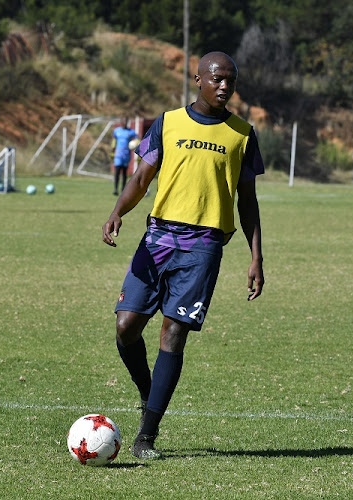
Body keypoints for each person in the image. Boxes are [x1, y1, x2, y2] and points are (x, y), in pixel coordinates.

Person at [101, 51, 265, 460]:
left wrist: (256, 257)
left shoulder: (243, 133)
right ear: (198, 79)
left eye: (230, 79)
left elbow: (248, 201)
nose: (224, 86)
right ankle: (147, 391)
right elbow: (142, 177)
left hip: (204, 246)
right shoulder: (168, 122)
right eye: (217, 79)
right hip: (157, 239)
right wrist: (117, 212)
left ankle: (146, 436)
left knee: (172, 333)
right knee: (126, 327)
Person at [111, 118, 139, 195]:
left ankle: (123, 189)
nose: (124, 123)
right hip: (118, 155)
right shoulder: (117, 131)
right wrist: (112, 151)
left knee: (124, 173)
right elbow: (114, 141)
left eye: (126, 121)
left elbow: (137, 140)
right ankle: (115, 189)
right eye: (123, 121)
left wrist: (135, 144)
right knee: (117, 172)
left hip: (126, 155)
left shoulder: (131, 132)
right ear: (121, 122)